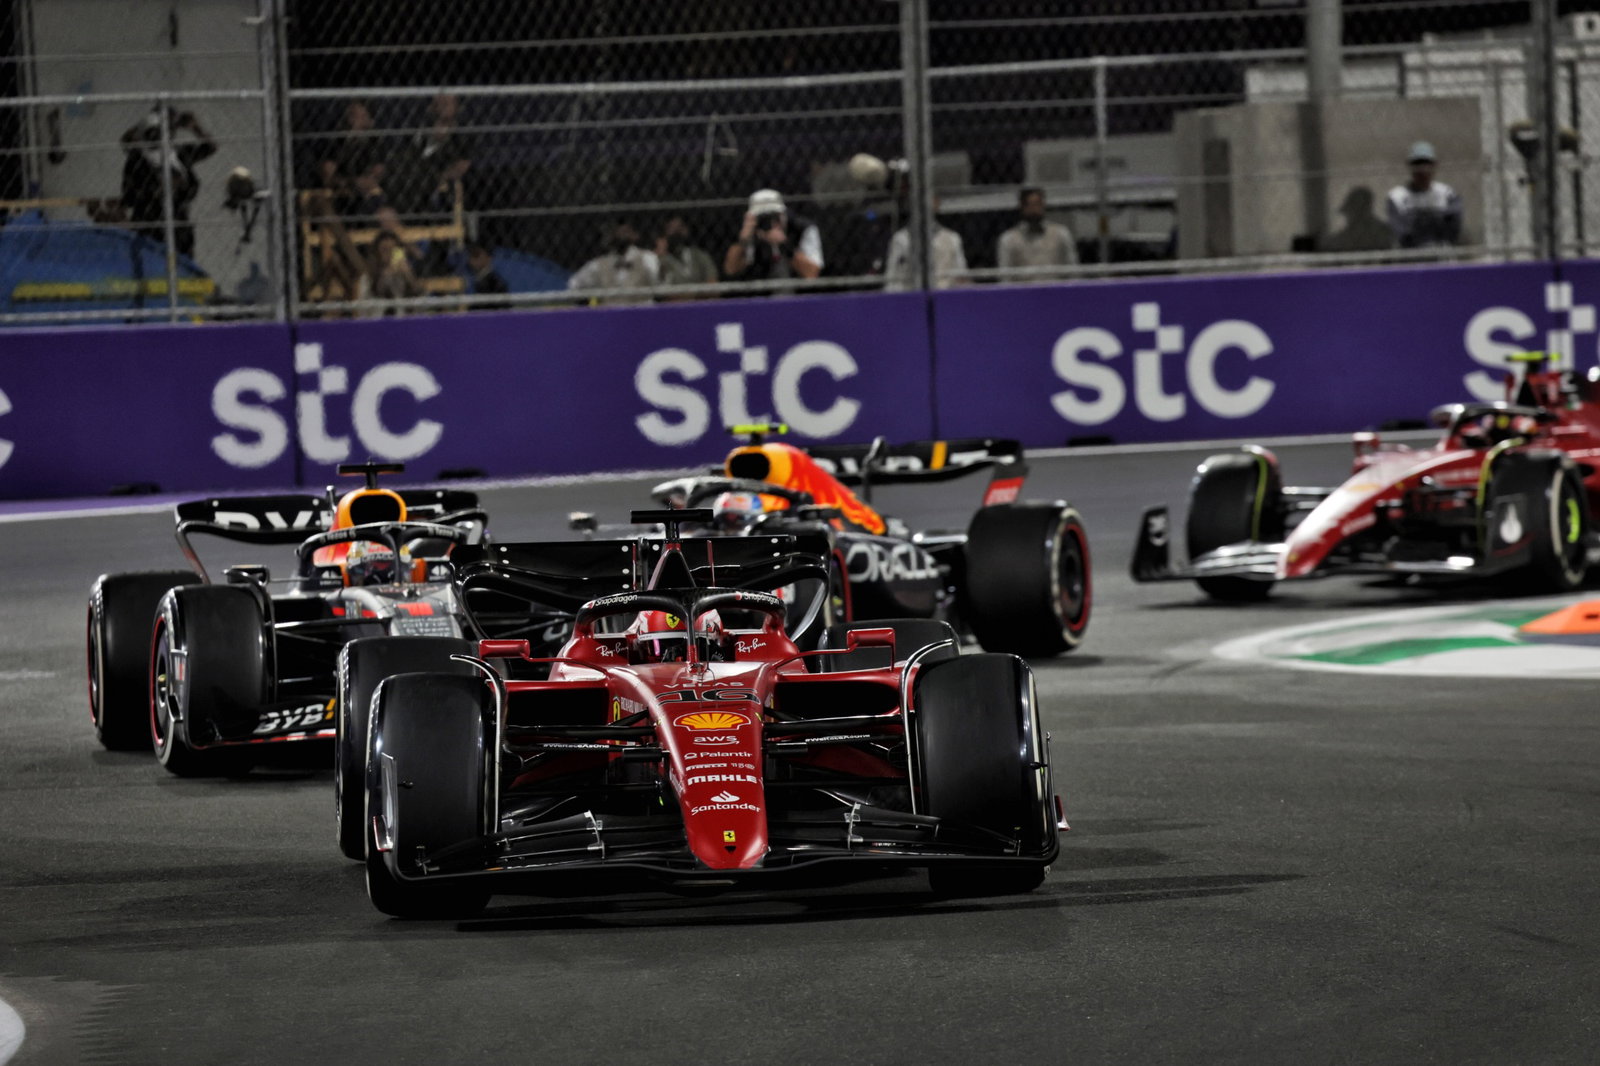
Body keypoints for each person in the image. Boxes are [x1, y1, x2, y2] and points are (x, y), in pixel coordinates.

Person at [119, 106, 217, 258]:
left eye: (170, 128)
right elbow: (125, 141)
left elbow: (210, 147)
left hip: (179, 226)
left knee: (183, 268)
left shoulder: (178, 154)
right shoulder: (138, 159)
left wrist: (195, 127)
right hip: (149, 226)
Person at [723, 188, 823, 287]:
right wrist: (743, 241)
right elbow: (731, 269)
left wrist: (785, 245)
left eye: (774, 216)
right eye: (762, 217)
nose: (770, 222)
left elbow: (812, 274)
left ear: (783, 214)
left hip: (796, 292)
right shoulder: (748, 230)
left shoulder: (802, 228)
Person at [1386, 141, 1463, 249]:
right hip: (1411, 255)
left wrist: (1421, 221)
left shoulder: (1447, 193)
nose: (1422, 170)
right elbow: (1402, 233)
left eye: (1426, 164)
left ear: (1435, 165)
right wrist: (1434, 219)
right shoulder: (1397, 196)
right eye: (1417, 164)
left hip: (1441, 253)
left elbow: (1453, 229)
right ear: (1410, 166)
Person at [883, 197, 968, 290]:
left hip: (944, 295)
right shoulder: (900, 239)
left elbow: (961, 274)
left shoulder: (952, 238)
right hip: (910, 294)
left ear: (937, 204)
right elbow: (892, 276)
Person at [995, 187, 1078, 282]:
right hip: (1024, 293)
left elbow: (1073, 271)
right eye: (1030, 205)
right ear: (1022, 207)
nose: (1035, 210)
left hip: (1055, 290)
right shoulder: (1009, 240)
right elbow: (1005, 277)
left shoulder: (1060, 234)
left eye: (1038, 204)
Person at [568, 220, 659, 305]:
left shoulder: (647, 258)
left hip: (641, 314)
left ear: (635, 235)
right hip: (610, 316)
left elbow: (657, 286)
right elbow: (574, 285)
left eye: (626, 231)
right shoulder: (599, 264)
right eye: (618, 231)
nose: (621, 233)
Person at [656, 215, 718, 290]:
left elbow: (713, 286)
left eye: (679, 228)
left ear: (686, 230)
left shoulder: (699, 255)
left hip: (702, 301)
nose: (676, 232)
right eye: (671, 228)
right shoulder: (659, 259)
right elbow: (663, 294)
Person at [466, 243, 511, 310]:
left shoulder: (494, 283)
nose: (472, 260)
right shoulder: (474, 280)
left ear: (489, 258)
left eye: (476, 255)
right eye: (471, 255)